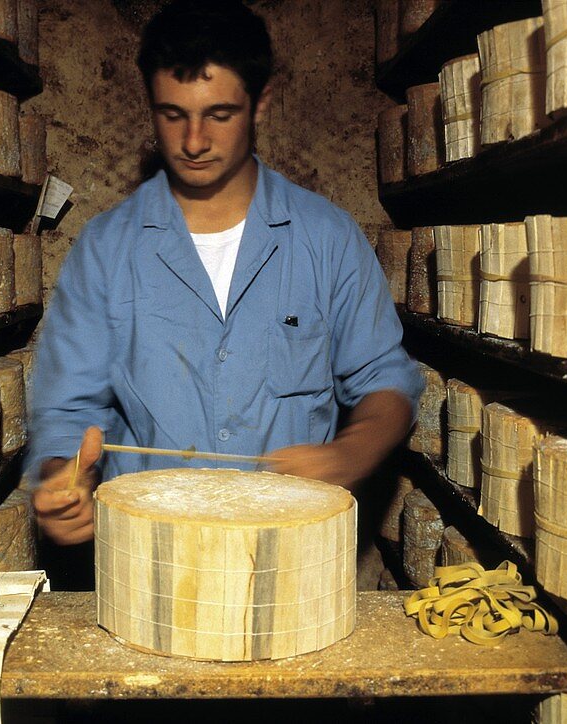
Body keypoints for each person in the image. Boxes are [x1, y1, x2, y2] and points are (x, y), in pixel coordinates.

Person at [28, 0, 424, 549]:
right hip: (148, 559)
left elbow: (386, 380)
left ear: (259, 104)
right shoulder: (104, 249)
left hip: (291, 557)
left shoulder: (327, 237)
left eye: (218, 114)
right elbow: (68, 411)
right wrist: (62, 482)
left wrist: (348, 455)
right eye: (172, 114)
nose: (193, 142)